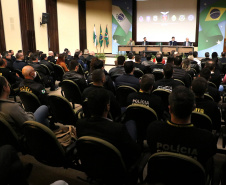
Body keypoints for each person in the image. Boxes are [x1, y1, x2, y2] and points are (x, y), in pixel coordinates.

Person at [147, 86, 217, 167]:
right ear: (194, 108)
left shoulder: (153, 129)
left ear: (169, 109)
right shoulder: (206, 139)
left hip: (157, 177)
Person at [77, 88, 140, 169]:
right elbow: (134, 151)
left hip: (93, 166)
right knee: (131, 122)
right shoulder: (118, 129)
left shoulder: (80, 124)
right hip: (115, 170)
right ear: (107, 107)